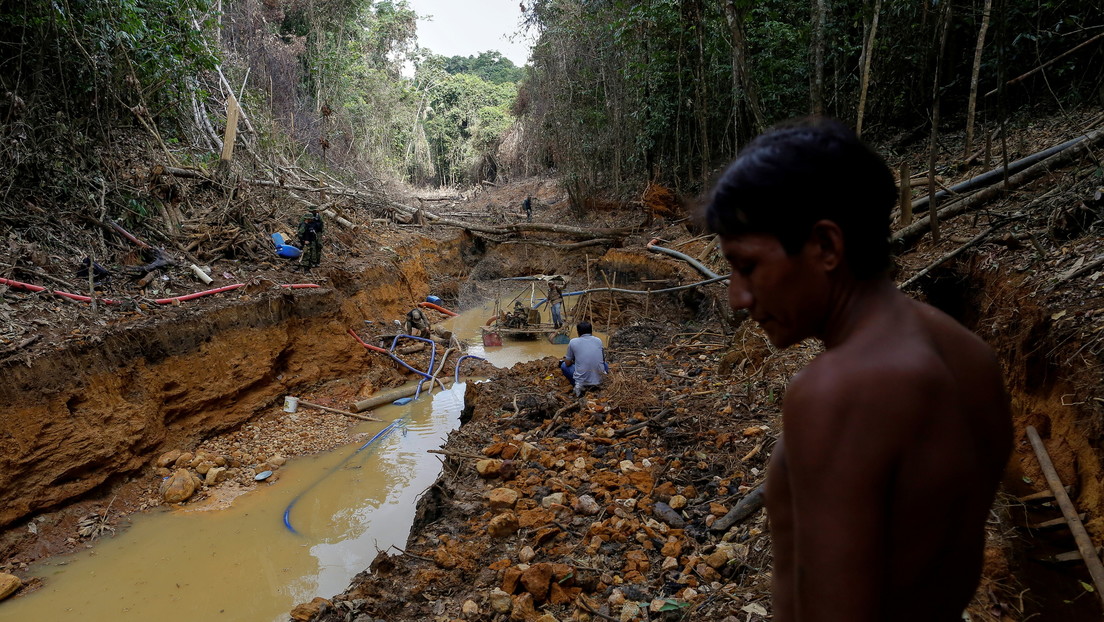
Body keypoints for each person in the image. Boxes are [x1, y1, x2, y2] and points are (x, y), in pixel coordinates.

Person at [703, 117, 1011, 621]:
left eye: (748, 266)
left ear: (826, 246)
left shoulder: (839, 390)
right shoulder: (970, 356)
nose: (737, 297)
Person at [560, 321, 607, 397]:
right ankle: (597, 382)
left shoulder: (573, 342)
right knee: (605, 365)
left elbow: (567, 363)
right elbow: (603, 360)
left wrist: (570, 360)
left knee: (563, 366)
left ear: (578, 332)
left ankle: (577, 385)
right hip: (599, 380)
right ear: (591, 331)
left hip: (582, 382)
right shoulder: (598, 341)